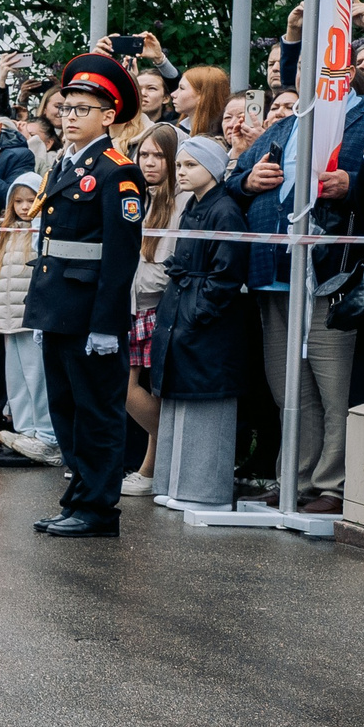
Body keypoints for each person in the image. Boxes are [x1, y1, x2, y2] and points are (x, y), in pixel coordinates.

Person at [25, 55, 147, 537]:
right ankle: (78, 497)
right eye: (66, 107)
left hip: (89, 311)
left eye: (82, 108)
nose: (69, 115)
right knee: (68, 411)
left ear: (108, 116)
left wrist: (105, 323)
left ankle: (98, 509)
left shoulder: (118, 171)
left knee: (96, 414)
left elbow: (121, 257)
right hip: (58, 306)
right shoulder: (66, 163)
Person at [223, 71, 354, 512]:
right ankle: (294, 480)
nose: (306, 75)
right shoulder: (285, 124)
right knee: (288, 388)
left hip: (328, 276)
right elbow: (233, 182)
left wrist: (353, 184)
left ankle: (332, 487)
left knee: (332, 387)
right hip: (272, 271)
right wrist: (248, 179)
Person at [152, 136, 248, 507]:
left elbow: (226, 273)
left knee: (204, 401)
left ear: (212, 167)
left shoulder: (224, 210)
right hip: (184, 311)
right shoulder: (194, 205)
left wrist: (198, 312)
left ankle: (202, 490)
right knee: (180, 398)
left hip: (203, 322)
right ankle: (175, 484)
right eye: (179, 165)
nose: (181, 172)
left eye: (191, 165)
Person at [121, 120, 182, 496]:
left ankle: (153, 466)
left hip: (155, 305)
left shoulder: (179, 198)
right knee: (127, 387)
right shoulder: (142, 194)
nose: (149, 162)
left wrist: (144, 288)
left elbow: (167, 262)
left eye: (158, 155)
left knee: (140, 389)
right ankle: (151, 466)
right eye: (143, 154)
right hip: (133, 304)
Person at [0, 170, 59, 463]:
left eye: (31, 200)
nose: (23, 207)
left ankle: (47, 436)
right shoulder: (6, 233)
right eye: (18, 201)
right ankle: (24, 430)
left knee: (36, 376)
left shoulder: (41, 232)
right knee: (16, 377)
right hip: (8, 319)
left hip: (30, 318)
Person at [174, 66, 231, 140]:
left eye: (182, 88)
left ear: (203, 96)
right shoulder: (176, 128)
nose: (173, 94)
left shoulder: (221, 137)